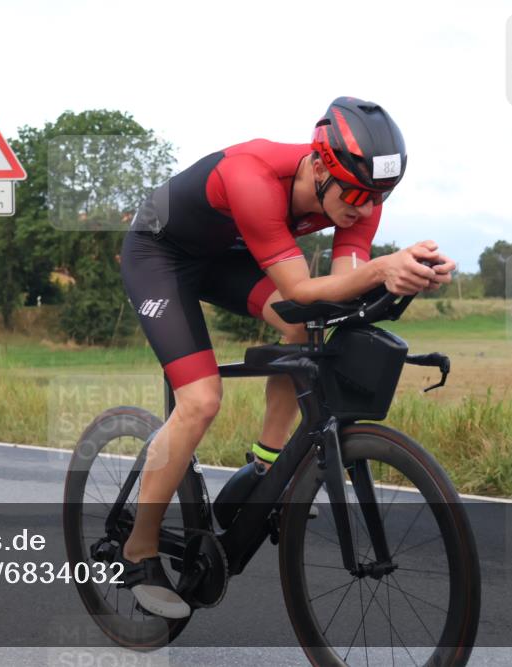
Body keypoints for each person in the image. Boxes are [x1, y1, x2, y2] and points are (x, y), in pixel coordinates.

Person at [117, 97, 457, 618]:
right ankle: (138, 551)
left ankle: (263, 466)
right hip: (159, 255)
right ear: (321, 166)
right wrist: (380, 268)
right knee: (201, 400)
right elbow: (300, 286)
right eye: (358, 196)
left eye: (378, 199)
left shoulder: (360, 189)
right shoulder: (252, 177)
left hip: (226, 256)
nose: (366, 210)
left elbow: (341, 291)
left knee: (307, 325)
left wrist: (411, 275)